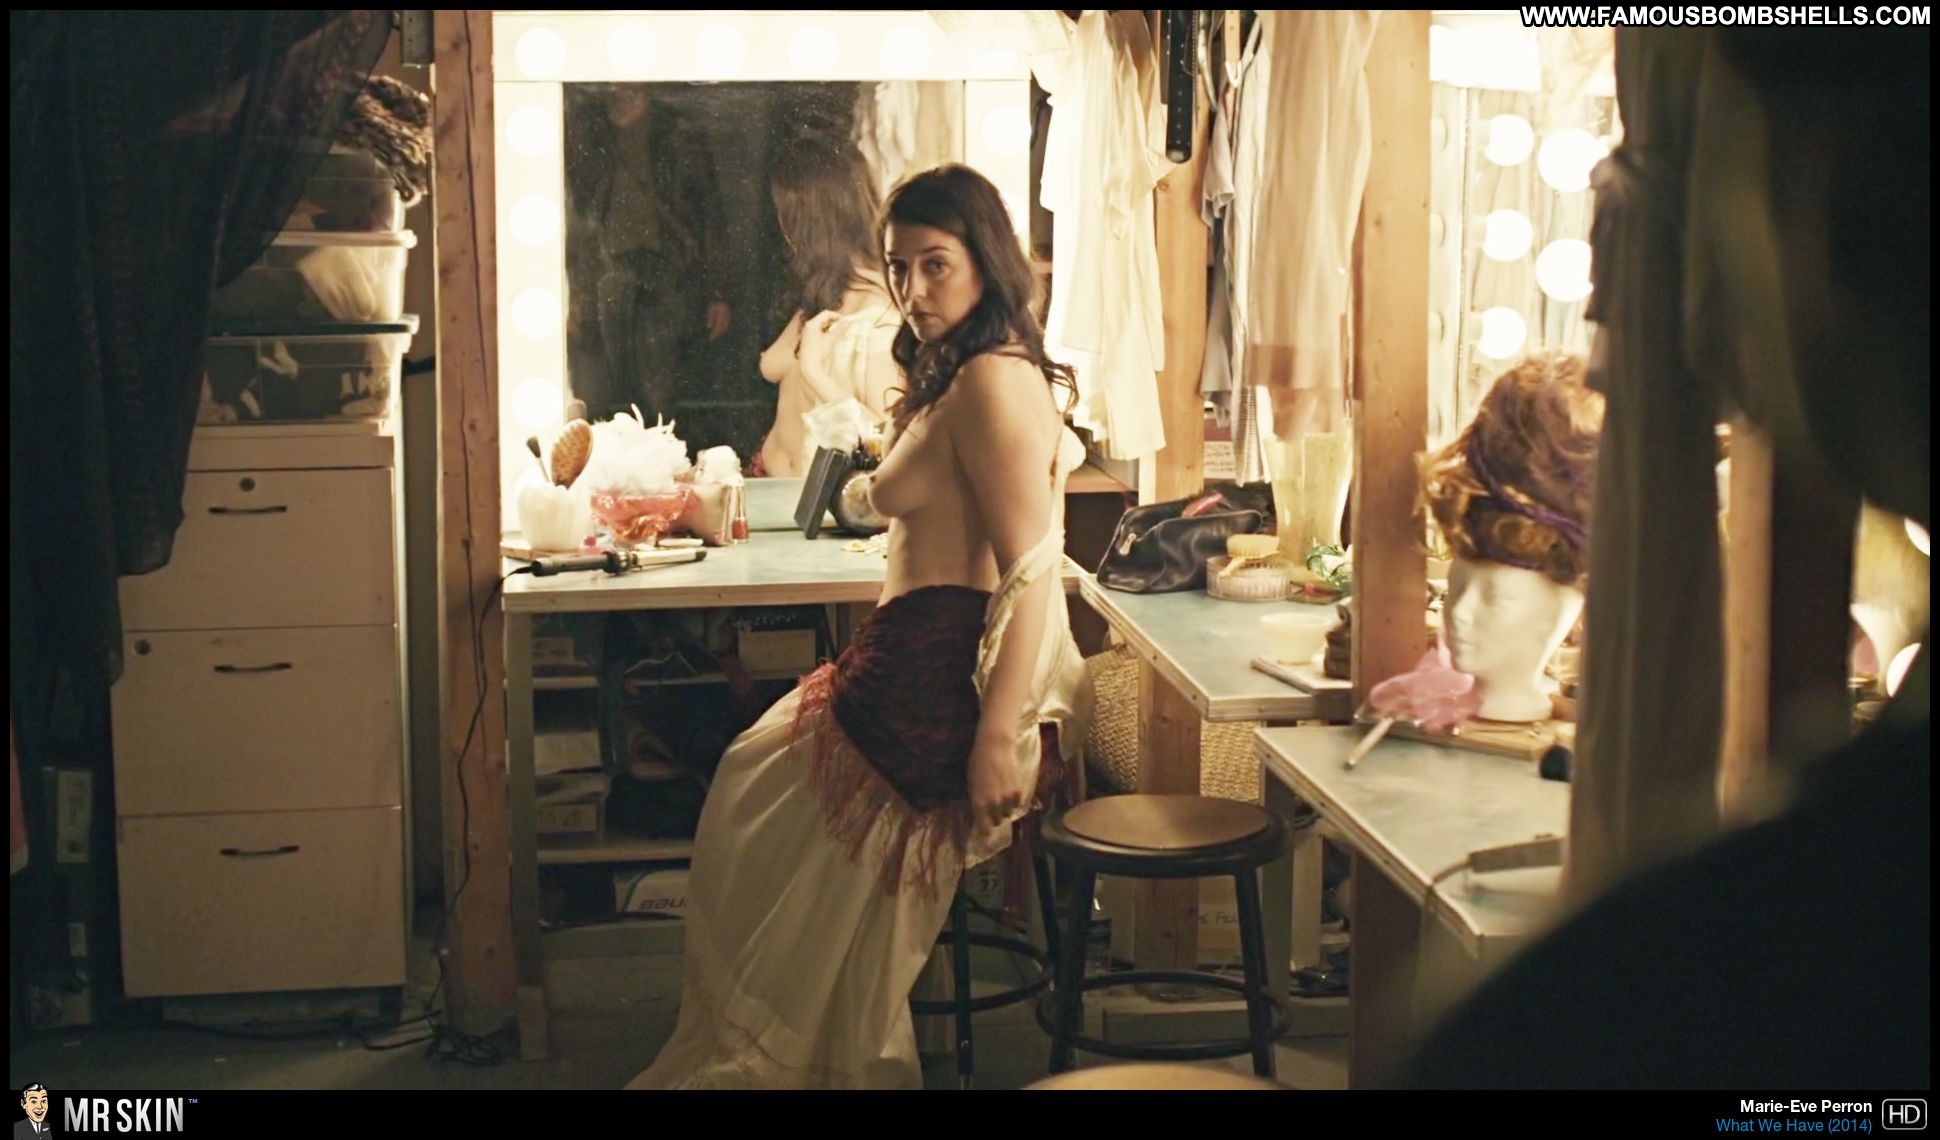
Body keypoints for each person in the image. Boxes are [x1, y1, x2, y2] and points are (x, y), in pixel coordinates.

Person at [628, 164, 1092, 1090]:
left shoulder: (993, 384)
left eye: (936, 264)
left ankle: (807, 1054)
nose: (914, 290)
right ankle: (817, 1046)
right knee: (754, 803)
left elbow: (1033, 571)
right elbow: (906, 498)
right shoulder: (969, 370)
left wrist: (997, 735)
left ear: (985, 260)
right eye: (899, 267)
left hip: (929, 678)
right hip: (905, 654)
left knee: (755, 809)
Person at [565, 86, 734, 423]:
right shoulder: (588, 128)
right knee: (606, 388)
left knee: (660, 389)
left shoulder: (678, 130)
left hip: (666, 271)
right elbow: (574, 212)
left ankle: (658, 449)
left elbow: (709, 211)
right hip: (603, 271)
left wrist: (718, 292)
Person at [755, 137, 902, 477]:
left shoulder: (880, 315)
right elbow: (774, 366)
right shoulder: (827, 293)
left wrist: (814, 371)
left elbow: (888, 439)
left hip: (819, 499)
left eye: (784, 215)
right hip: (773, 483)